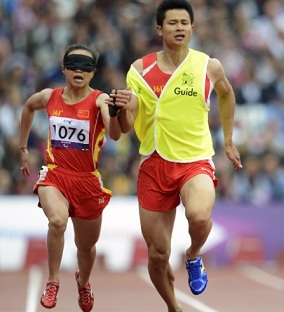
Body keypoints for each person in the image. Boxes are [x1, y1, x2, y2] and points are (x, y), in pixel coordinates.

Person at [109, 1, 243, 311]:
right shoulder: (139, 71)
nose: (179, 27)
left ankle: (194, 254)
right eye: (172, 23)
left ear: (193, 28)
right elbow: (126, 126)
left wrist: (229, 141)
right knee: (157, 255)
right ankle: (173, 307)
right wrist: (119, 110)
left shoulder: (209, 66)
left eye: (185, 22)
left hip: (195, 160)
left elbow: (226, 93)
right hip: (154, 164)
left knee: (198, 216)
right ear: (159, 29)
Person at [19, 43, 129, 311]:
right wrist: (23, 147)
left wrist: (115, 114)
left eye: (86, 66)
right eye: (74, 65)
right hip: (55, 175)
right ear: (64, 69)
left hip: (87, 181)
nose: (80, 70)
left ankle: (84, 282)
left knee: (85, 246)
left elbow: (115, 134)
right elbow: (28, 106)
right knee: (57, 222)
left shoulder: (101, 100)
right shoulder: (49, 96)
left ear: (92, 73)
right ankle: (53, 281)